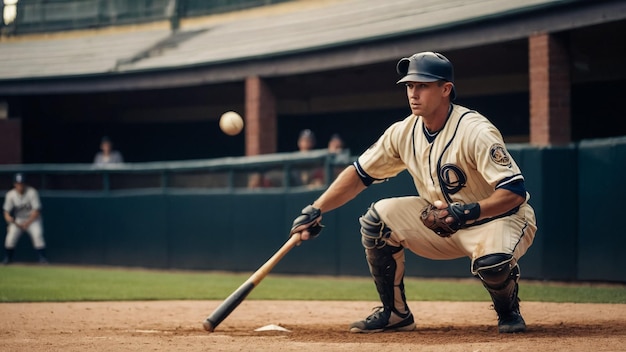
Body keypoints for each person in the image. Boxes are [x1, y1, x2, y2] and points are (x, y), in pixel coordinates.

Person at [290, 51, 537, 334]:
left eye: (422, 85)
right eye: (409, 86)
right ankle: (395, 314)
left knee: (493, 263)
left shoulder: (475, 131)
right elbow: (359, 174)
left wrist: (467, 212)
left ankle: (508, 311)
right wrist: (316, 208)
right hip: (443, 223)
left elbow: (514, 191)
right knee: (377, 220)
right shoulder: (403, 132)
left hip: (498, 220)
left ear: (446, 89)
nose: (413, 93)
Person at [2, 173, 48, 264]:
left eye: (22, 183)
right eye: (18, 184)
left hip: (32, 220)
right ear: (14, 184)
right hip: (18, 220)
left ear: (25, 184)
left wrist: (27, 223)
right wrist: (8, 218)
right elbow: (6, 211)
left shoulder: (32, 192)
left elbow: (37, 211)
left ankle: (42, 259)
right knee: (10, 238)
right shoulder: (10, 194)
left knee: (37, 235)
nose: (20, 186)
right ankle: (8, 259)